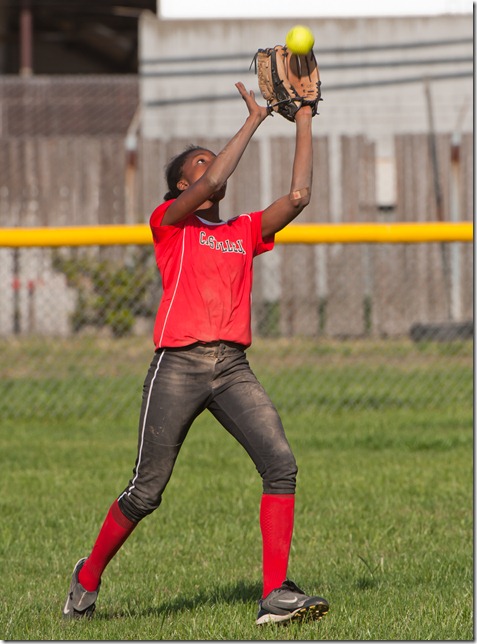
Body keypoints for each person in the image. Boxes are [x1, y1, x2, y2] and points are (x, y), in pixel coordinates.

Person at [63, 80, 329, 626]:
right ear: (181, 186)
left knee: (281, 465)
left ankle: (275, 594)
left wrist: (304, 114)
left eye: (214, 161)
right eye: (201, 165)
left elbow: (299, 196)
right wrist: (255, 119)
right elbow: (213, 178)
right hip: (178, 365)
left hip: (231, 367)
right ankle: (86, 579)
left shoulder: (242, 230)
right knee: (146, 492)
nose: (213, 171)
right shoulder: (169, 223)